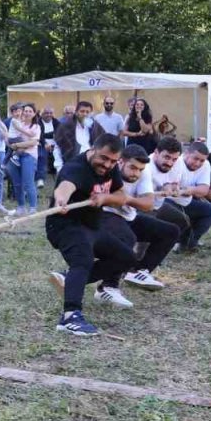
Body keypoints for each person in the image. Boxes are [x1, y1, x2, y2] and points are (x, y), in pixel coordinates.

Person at [45, 134, 132, 337]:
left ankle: (71, 281)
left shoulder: (111, 169)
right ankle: (70, 317)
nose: (107, 164)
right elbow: (65, 187)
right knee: (82, 260)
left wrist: (105, 197)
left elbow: (121, 196)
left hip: (92, 227)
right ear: (93, 149)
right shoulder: (76, 168)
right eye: (103, 158)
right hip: (65, 226)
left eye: (113, 161)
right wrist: (61, 201)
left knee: (126, 257)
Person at [103, 145, 181, 290]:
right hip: (105, 215)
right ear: (120, 162)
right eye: (132, 168)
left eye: (140, 169)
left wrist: (126, 199)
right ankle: (108, 287)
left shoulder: (143, 172)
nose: (136, 173)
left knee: (170, 231)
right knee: (128, 238)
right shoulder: (107, 171)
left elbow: (148, 204)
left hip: (128, 216)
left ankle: (138, 272)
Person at [150, 138, 211, 252]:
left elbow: (204, 190)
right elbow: (166, 186)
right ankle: (173, 242)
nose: (198, 163)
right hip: (167, 200)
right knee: (179, 218)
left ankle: (189, 242)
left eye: (201, 160)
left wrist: (187, 190)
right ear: (186, 154)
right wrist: (173, 189)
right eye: (195, 158)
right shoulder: (176, 163)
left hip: (185, 199)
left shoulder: (205, 165)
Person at [9, 103, 41, 214]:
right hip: (16, 156)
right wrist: (13, 145)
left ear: (34, 114)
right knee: (17, 183)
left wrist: (18, 146)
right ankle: (21, 206)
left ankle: (33, 207)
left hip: (29, 156)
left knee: (28, 182)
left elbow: (33, 142)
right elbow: (11, 137)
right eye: (25, 111)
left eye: (30, 111)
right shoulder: (18, 123)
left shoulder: (36, 127)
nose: (27, 113)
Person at [54, 101, 103, 168]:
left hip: (91, 163)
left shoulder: (95, 126)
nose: (85, 114)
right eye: (82, 111)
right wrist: (58, 166)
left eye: (87, 112)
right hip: (72, 163)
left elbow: (103, 142)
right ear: (76, 112)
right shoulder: (66, 127)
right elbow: (57, 147)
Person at [38, 106, 58, 183]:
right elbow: (38, 135)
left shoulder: (56, 121)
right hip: (41, 145)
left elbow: (59, 132)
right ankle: (40, 178)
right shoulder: (38, 122)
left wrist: (45, 135)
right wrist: (45, 143)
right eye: (46, 113)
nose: (49, 115)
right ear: (42, 114)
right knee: (42, 155)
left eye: (50, 113)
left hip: (55, 145)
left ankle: (57, 177)